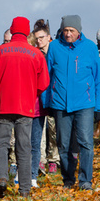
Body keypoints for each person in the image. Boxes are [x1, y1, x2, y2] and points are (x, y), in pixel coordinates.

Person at [0, 17, 49, 198]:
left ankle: (2, 177)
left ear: (12, 30)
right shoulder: (35, 54)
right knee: (24, 146)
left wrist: (1, 89)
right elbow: (43, 83)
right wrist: (30, 92)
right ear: (27, 32)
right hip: (25, 107)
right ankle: (25, 189)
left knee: (2, 144)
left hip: (4, 105)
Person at [44, 15, 100, 191]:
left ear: (79, 31)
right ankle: (68, 179)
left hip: (84, 103)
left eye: (71, 30)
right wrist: (46, 102)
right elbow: (47, 77)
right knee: (63, 144)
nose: (68, 34)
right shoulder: (54, 47)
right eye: (65, 30)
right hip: (60, 103)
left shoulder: (90, 48)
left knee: (85, 142)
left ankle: (85, 180)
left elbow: (99, 79)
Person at [32, 20, 60, 175]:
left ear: (48, 37)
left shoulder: (55, 52)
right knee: (40, 132)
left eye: (42, 37)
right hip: (39, 99)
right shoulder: (35, 54)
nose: (39, 41)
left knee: (54, 131)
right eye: (37, 38)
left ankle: (54, 160)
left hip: (54, 97)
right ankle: (40, 161)